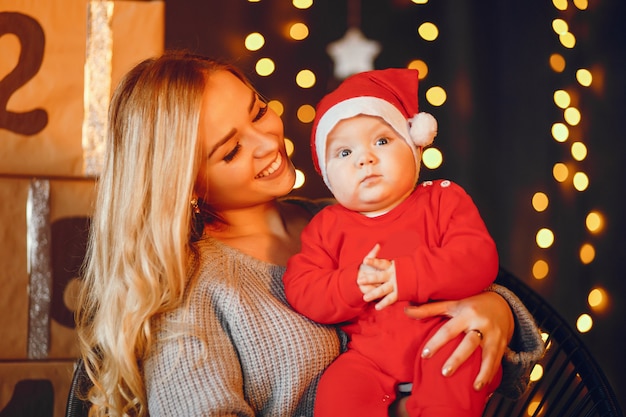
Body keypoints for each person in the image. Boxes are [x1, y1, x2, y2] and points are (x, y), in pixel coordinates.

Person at [76, 51, 545, 417]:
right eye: (232, 150)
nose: (268, 143)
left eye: (258, 112)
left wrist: (498, 307)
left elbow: (460, 278)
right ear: (187, 183)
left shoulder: (339, 215)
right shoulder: (191, 295)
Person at [283, 68, 505, 416]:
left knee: (457, 371)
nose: (365, 158)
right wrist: (349, 283)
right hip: (369, 358)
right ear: (327, 176)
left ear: (414, 145)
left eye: (382, 141)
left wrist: (409, 276)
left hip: (446, 334)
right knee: (338, 391)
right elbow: (302, 287)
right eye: (344, 153)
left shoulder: (443, 200)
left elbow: (477, 259)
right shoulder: (327, 225)